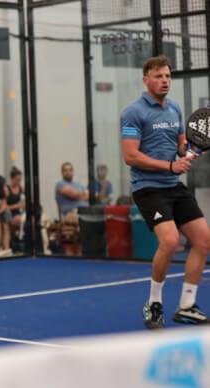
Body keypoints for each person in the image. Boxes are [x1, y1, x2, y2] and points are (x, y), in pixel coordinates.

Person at [121, 55, 210, 329]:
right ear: (146, 79)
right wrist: (170, 166)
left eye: (168, 76)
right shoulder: (133, 112)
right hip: (148, 189)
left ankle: (186, 306)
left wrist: (187, 152)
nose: (165, 81)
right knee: (170, 241)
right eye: (159, 76)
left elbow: (181, 144)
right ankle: (155, 303)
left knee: (203, 240)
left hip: (173, 187)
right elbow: (130, 156)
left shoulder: (174, 109)